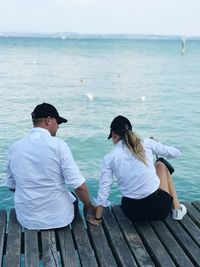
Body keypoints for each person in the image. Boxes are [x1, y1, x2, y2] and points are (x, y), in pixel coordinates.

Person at [6, 102, 94, 230]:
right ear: (48, 120)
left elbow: (12, 186)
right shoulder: (59, 146)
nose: (58, 127)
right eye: (57, 122)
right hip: (60, 218)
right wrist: (88, 206)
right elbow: (79, 186)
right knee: (72, 197)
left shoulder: (14, 148)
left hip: (27, 219)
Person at [92, 115, 187, 225]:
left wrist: (97, 218)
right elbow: (175, 153)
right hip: (160, 210)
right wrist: (157, 144)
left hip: (133, 213)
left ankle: (176, 207)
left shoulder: (109, 158)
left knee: (157, 168)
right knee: (160, 165)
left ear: (113, 135)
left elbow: (104, 189)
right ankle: (176, 207)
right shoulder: (146, 143)